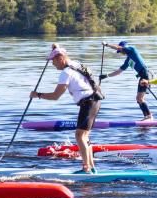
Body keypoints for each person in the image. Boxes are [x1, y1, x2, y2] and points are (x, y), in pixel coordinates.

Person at [30, 45, 103, 174]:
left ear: (60, 58)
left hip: (88, 103)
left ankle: (86, 169)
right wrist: (56, 48)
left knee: (79, 135)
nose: (52, 64)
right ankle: (92, 168)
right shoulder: (76, 64)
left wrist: (38, 95)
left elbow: (55, 96)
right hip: (95, 101)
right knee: (85, 137)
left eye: (53, 60)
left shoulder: (66, 73)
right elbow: (65, 55)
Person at [99, 41, 153, 120]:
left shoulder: (132, 50)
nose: (120, 52)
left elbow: (118, 47)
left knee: (140, 98)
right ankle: (147, 117)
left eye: (120, 51)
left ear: (124, 47)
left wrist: (107, 44)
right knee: (139, 99)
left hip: (146, 74)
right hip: (142, 76)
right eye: (119, 52)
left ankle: (149, 117)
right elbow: (119, 71)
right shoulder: (128, 60)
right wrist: (106, 76)